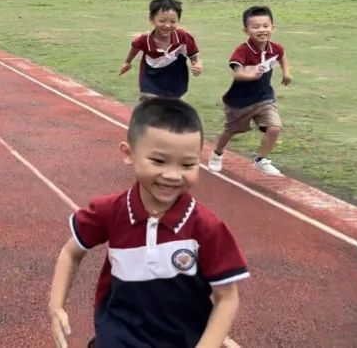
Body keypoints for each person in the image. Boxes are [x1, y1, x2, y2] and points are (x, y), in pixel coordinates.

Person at [48, 98, 248, 348]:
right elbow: (71, 252)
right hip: (119, 338)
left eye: (187, 164)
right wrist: (56, 305)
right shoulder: (109, 211)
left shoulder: (207, 228)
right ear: (128, 154)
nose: (173, 175)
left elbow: (227, 297)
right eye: (159, 161)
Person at [208, 5, 292, 176]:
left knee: (274, 127)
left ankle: (261, 160)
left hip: (264, 98)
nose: (261, 30)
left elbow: (282, 58)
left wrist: (287, 73)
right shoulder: (242, 51)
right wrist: (250, 75)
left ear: (273, 27)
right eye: (255, 27)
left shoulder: (275, 48)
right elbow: (237, 73)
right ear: (246, 30)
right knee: (230, 131)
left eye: (265, 26)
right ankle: (217, 154)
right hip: (239, 101)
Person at [119, 0, 202, 100]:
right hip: (151, 80)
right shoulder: (144, 40)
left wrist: (197, 65)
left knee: (173, 112)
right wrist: (127, 62)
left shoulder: (183, 37)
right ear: (152, 20)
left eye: (173, 21)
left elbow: (194, 57)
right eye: (162, 21)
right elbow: (135, 47)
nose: (167, 25)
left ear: (178, 20)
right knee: (151, 108)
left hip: (176, 81)